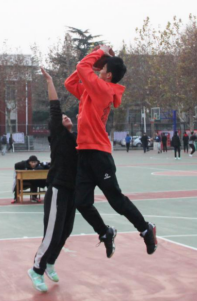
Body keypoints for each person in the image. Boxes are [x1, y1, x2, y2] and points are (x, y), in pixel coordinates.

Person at [64, 45, 157, 258]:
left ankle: (145, 229)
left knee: (116, 200)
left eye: (102, 68)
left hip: (99, 155)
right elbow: (70, 83)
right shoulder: (91, 90)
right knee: (81, 202)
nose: (98, 70)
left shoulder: (104, 90)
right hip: (84, 154)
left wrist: (100, 51)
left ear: (108, 75)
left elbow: (82, 67)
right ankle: (105, 233)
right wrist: (95, 63)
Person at [27, 67, 79, 292]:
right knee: (52, 232)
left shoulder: (77, 139)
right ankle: (36, 269)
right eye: (63, 117)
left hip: (72, 190)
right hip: (58, 187)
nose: (66, 116)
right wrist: (49, 81)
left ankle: (50, 262)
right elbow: (55, 107)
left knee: (66, 230)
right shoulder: (58, 135)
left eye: (69, 116)